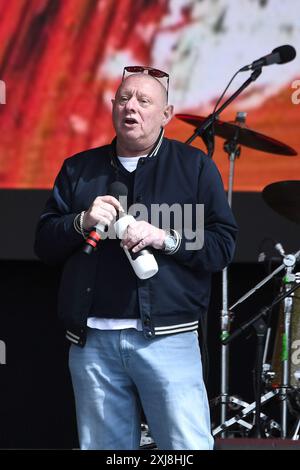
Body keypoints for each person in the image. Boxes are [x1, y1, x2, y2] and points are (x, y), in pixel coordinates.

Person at [34, 65, 237, 450]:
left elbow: (223, 245)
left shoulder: (193, 168)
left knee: (185, 449)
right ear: (112, 107)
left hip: (168, 339)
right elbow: (44, 244)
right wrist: (82, 221)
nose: (132, 107)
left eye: (144, 101)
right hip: (92, 342)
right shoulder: (79, 169)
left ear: (166, 114)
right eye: (124, 98)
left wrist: (167, 239)